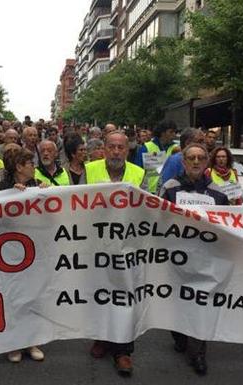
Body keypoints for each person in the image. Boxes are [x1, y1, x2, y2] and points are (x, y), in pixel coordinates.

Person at [160, 143, 229, 376]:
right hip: (176, 258)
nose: (197, 162)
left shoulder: (218, 193)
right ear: (184, 162)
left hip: (205, 259)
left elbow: (228, 226)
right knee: (178, 300)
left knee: (200, 304)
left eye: (201, 158)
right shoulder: (169, 189)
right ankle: (179, 334)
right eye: (192, 158)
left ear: (206, 162)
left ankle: (198, 352)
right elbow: (158, 221)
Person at [82, 131, 145, 376]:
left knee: (125, 296)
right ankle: (102, 338)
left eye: (121, 147)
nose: (116, 151)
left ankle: (123, 351)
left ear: (127, 151)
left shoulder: (138, 173)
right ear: (104, 149)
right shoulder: (90, 169)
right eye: (112, 147)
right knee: (99, 293)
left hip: (127, 245)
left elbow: (148, 205)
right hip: (96, 242)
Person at [0, 147, 46, 363]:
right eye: (30, 163)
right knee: (12, 296)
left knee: (32, 295)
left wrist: (45, 193)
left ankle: (32, 340)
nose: (34, 167)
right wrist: (10, 197)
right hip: (10, 252)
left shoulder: (37, 185)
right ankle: (14, 343)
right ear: (19, 167)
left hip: (34, 250)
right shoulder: (3, 187)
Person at [134, 120, 180, 193]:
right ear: (162, 133)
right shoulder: (147, 147)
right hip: (150, 192)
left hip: (170, 191)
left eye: (175, 132)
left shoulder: (176, 148)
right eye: (171, 132)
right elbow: (137, 171)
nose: (174, 135)